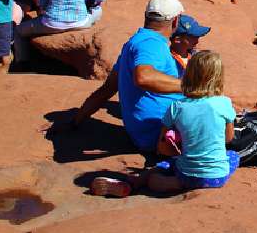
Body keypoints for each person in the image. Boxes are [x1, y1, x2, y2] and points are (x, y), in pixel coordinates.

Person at [90, 50, 239, 197]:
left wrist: (179, 148)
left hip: (186, 173)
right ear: (218, 77)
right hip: (217, 177)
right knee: (233, 156)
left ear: (189, 75)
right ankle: (182, 183)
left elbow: (162, 147)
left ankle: (139, 182)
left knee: (166, 165)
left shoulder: (177, 107)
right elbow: (228, 138)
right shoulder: (224, 103)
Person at [63, 0, 201, 152]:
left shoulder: (134, 43)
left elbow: (106, 90)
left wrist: (75, 121)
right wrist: (192, 87)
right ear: (175, 21)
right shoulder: (151, 43)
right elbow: (143, 77)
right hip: (160, 132)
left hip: (147, 131)